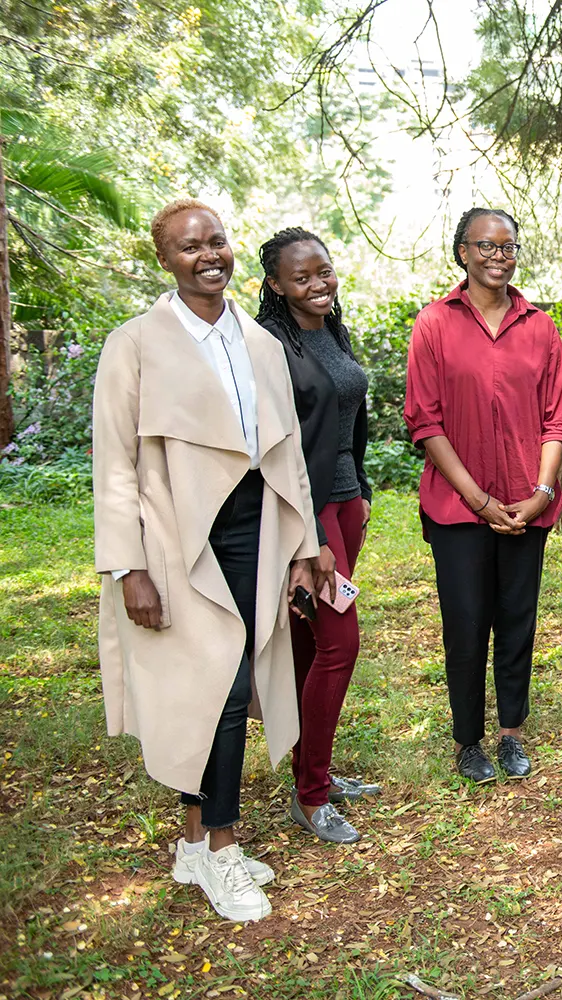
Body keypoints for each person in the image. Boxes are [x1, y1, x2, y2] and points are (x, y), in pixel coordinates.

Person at [93, 199, 324, 922]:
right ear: (165, 259)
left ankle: (194, 844)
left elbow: (289, 454)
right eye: (190, 246)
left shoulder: (259, 343)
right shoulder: (133, 344)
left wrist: (304, 548)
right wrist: (128, 567)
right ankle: (223, 849)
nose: (209, 255)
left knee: (233, 682)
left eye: (217, 241)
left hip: (257, 529)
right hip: (176, 535)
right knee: (214, 690)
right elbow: (114, 464)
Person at [404, 207, 562, 784]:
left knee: (517, 620)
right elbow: (425, 422)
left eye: (508, 247)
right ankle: (467, 740)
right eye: (486, 246)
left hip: (528, 505)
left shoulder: (540, 328)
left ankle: (511, 733)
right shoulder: (434, 323)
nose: (499, 257)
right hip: (458, 508)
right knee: (467, 624)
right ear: (463, 252)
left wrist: (541, 492)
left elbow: (557, 420)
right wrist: (478, 500)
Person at [257, 227, 380, 843]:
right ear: (276, 285)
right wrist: (311, 537)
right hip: (308, 512)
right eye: (301, 277)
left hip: (346, 502)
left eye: (323, 271)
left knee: (311, 644)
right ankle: (309, 797)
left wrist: (360, 493)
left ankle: (317, 773)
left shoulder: (332, 329)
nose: (317, 284)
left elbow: (345, 422)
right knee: (339, 644)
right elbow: (278, 449)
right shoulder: (269, 344)